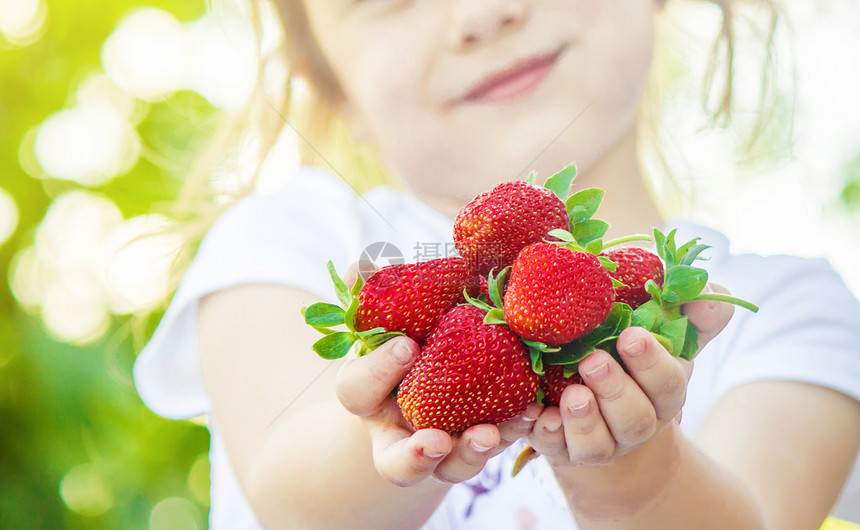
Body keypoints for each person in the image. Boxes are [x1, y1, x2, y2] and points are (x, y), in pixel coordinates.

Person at [133, 0, 860, 528]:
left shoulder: (791, 311)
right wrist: (401, 415)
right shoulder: (287, 238)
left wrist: (631, 474)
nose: (479, 13)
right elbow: (290, 500)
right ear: (330, 87)